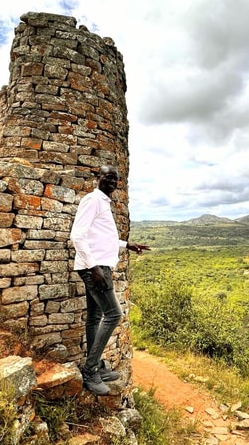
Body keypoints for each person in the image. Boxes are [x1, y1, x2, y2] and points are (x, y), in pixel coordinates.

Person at [70, 164, 150, 396]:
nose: (112, 182)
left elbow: (101, 237)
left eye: (115, 179)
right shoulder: (92, 200)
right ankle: (90, 370)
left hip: (98, 266)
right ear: (98, 177)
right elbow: (78, 235)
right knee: (114, 314)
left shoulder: (103, 203)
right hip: (94, 268)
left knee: (95, 317)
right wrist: (93, 267)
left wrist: (127, 245)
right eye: (108, 177)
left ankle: (98, 366)